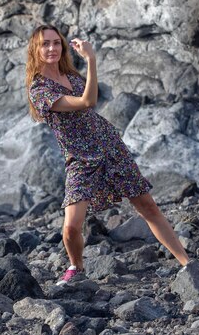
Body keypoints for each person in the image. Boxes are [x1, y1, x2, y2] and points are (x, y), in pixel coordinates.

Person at [26, 24, 190, 285]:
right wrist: (91, 60)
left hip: (109, 146)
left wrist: (87, 65)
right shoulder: (39, 90)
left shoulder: (73, 76)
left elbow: (91, 101)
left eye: (56, 43)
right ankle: (76, 268)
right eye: (45, 44)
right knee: (71, 227)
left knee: (147, 206)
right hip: (80, 158)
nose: (52, 48)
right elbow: (87, 102)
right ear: (35, 49)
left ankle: (187, 263)